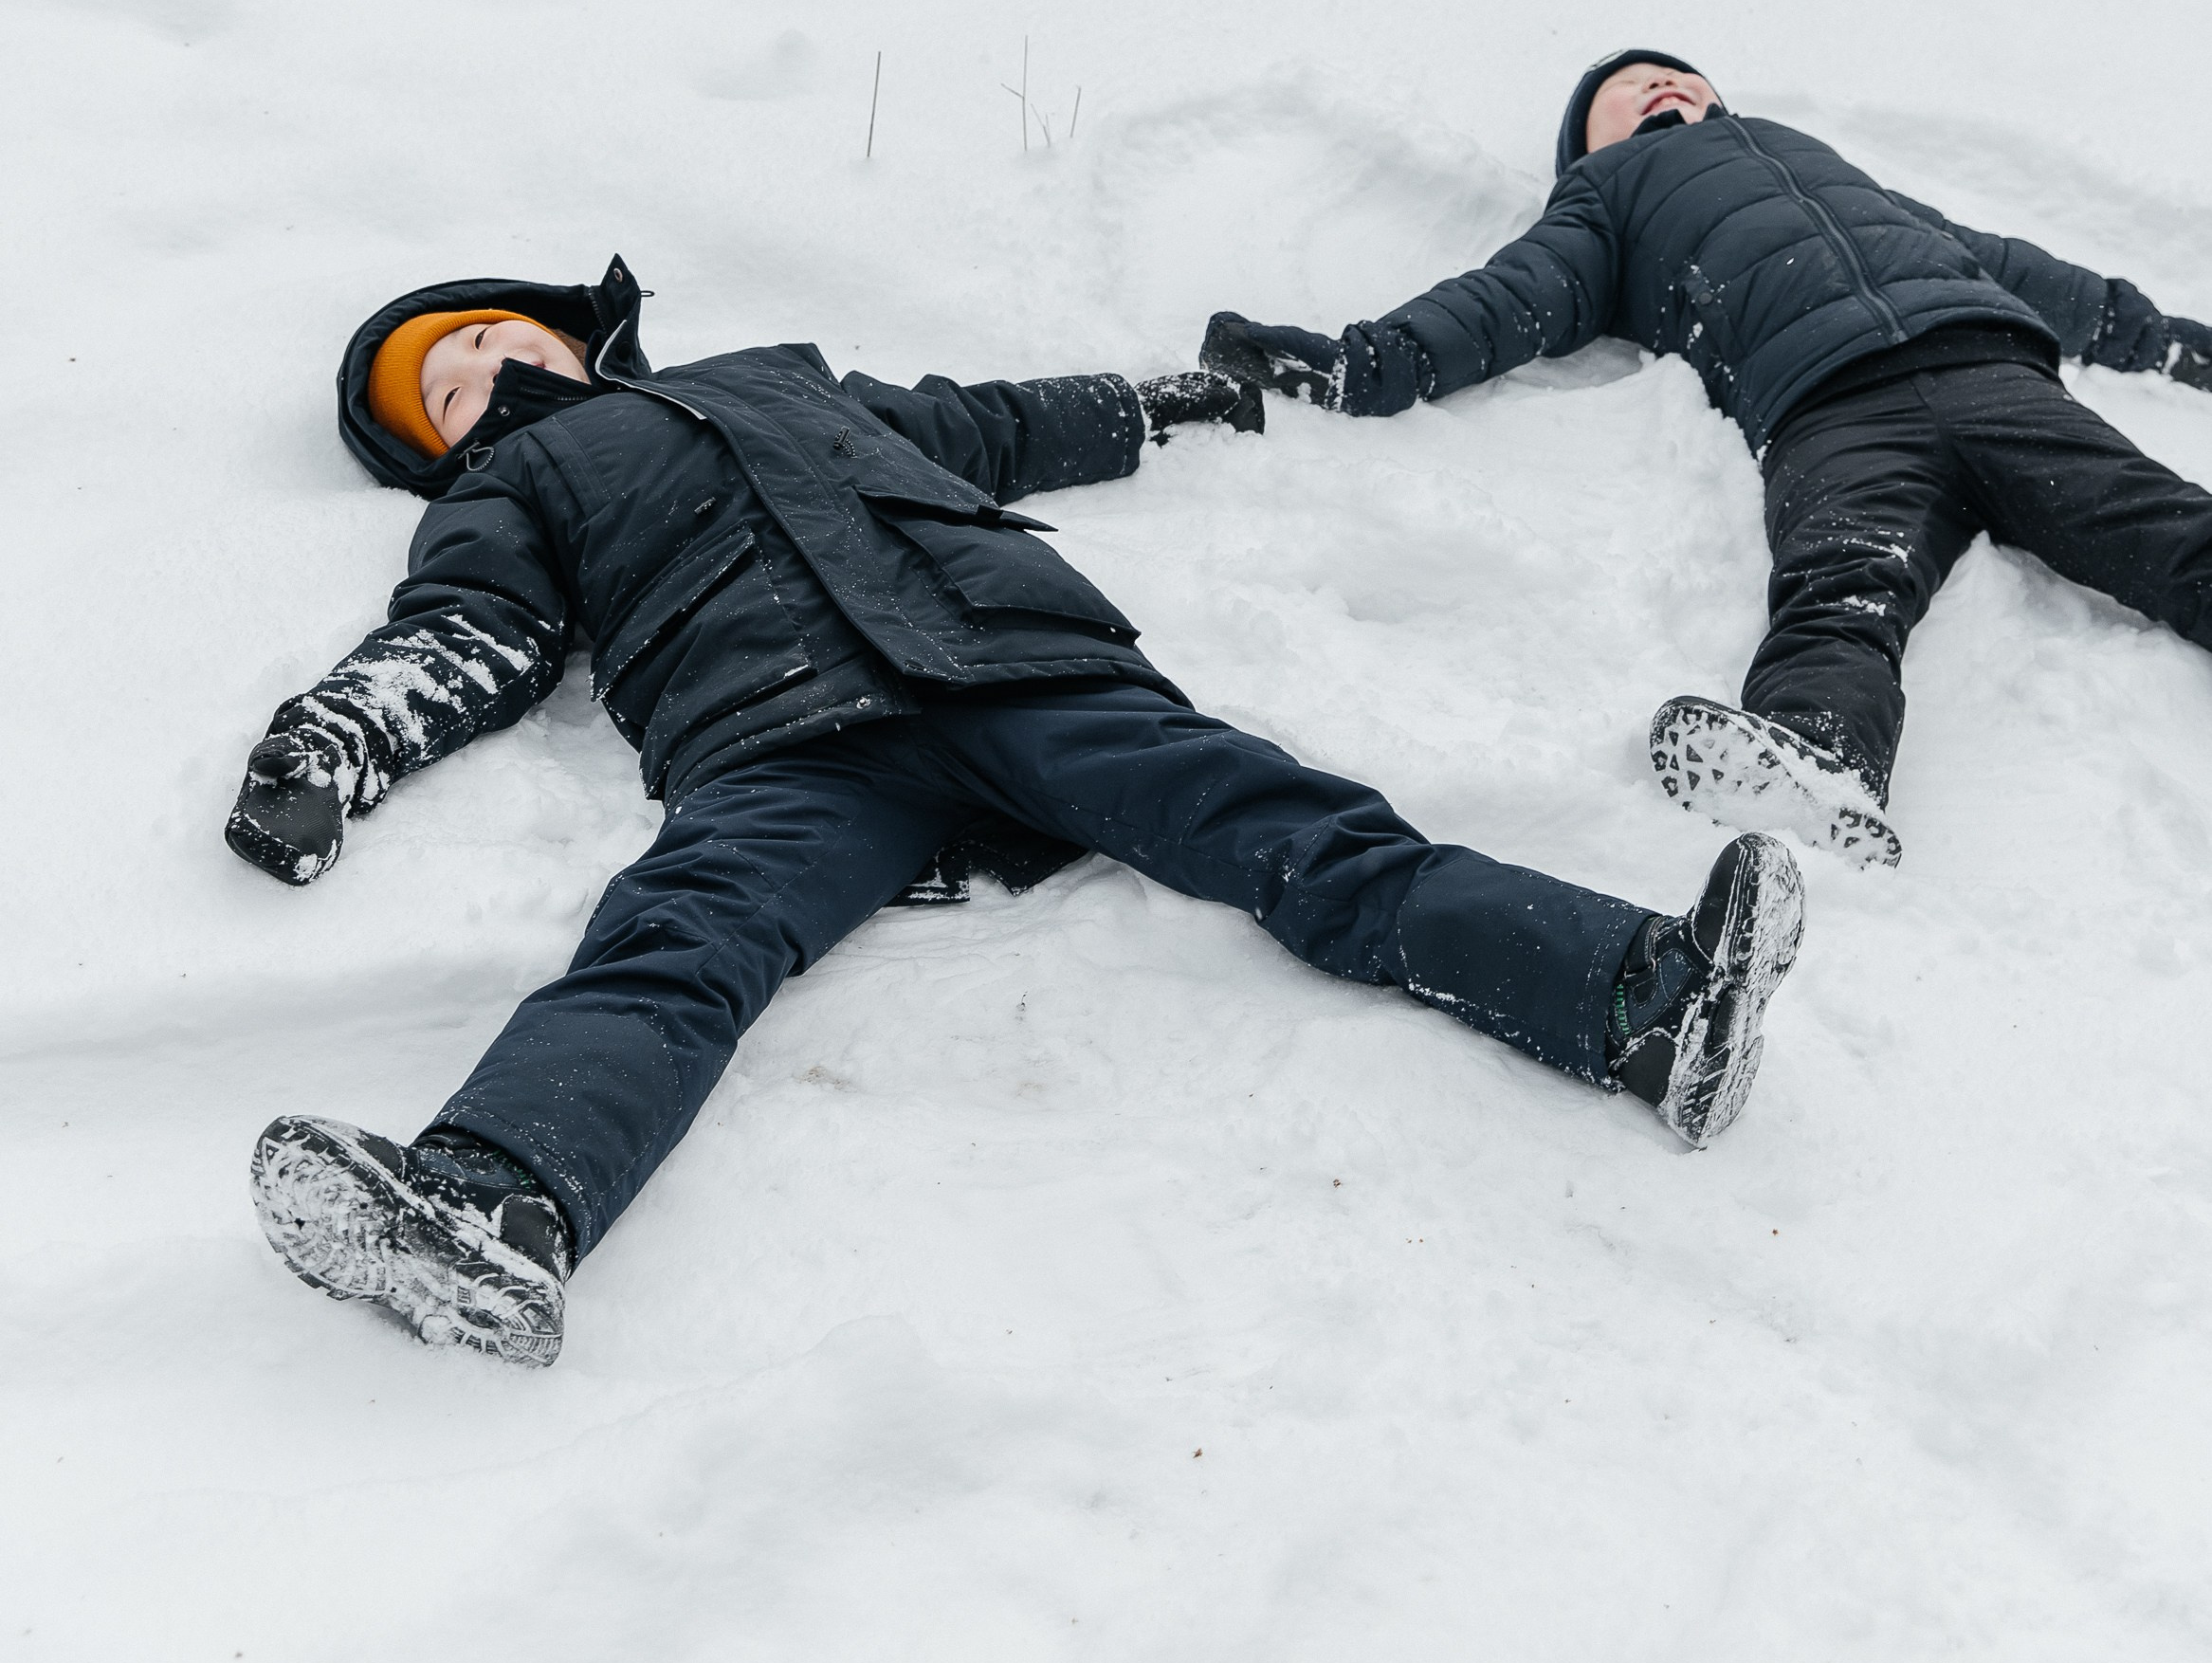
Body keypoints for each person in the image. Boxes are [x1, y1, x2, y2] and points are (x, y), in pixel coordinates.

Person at [229, 258, 1805, 1366]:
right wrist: (330, 747)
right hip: (778, 743)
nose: (485, 373)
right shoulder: (508, 495)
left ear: (562, 331)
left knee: (1295, 830)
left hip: (1019, 669)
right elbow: (466, 635)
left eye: (485, 339)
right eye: (450, 393)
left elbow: (976, 424)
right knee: (679, 936)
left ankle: (1643, 1001)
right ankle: (492, 1201)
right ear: (442, 456)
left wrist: (1157, 403)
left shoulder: (768, 379)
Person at [1202, 51, 2212, 874]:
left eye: (1677, 76)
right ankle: (1815, 762)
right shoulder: (1604, 195)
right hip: (1825, 407)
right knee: (1841, 585)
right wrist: (1361, 363)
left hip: (1985, 365)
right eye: (1625, 88)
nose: (1660, 85)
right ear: (1586, 144)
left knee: (2153, 520)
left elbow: (2007, 260)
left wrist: (2168, 342)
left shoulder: (1813, 156)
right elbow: (1509, 297)